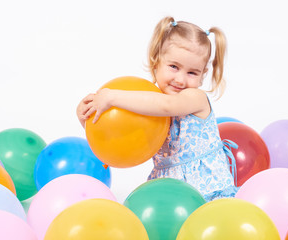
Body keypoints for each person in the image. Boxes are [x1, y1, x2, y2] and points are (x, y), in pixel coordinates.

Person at [77, 16, 238, 201]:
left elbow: (166, 106)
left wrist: (112, 97)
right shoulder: (147, 101)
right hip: (168, 187)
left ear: (202, 76)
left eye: (192, 72)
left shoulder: (195, 98)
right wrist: (89, 117)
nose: (180, 79)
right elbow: (124, 137)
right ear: (156, 62)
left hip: (206, 187)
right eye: (174, 67)